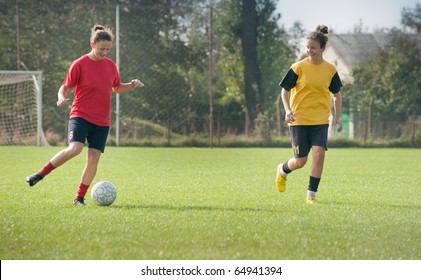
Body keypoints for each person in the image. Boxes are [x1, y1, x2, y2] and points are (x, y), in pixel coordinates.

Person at [26, 25, 144, 206]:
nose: (104, 52)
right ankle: (39, 174)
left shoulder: (111, 66)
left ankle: (79, 198)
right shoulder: (80, 64)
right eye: (101, 49)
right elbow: (65, 87)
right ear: (92, 44)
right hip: (80, 115)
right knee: (75, 149)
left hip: (102, 121)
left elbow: (117, 87)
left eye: (108, 49)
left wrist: (132, 84)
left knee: (93, 159)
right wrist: (60, 98)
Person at [276, 25, 343, 204]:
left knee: (319, 154)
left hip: (320, 120)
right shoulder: (298, 67)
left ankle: (311, 195)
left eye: (313, 48)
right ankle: (282, 170)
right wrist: (288, 110)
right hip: (299, 120)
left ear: (322, 48)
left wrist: (337, 117)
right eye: (307, 47)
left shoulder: (330, 70)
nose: (309, 50)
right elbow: (285, 91)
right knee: (301, 161)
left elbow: (336, 95)